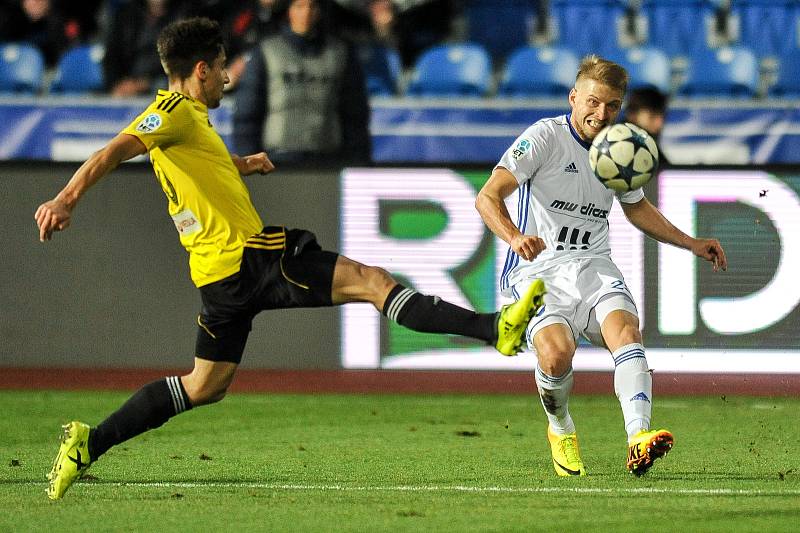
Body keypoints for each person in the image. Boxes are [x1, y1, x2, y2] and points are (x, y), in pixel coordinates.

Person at [36, 16, 544, 500]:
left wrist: (239, 165)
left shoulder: (186, 122)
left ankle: (89, 443)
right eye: (221, 67)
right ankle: (492, 328)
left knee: (203, 385)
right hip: (247, 257)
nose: (228, 78)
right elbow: (111, 153)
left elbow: (194, 168)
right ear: (200, 71)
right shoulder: (169, 112)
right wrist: (65, 199)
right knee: (372, 281)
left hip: (218, 279)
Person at [475, 55, 727, 477]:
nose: (601, 114)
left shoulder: (620, 147)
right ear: (574, 97)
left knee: (627, 333)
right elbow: (488, 196)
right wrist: (514, 236)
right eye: (593, 102)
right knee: (556, 356)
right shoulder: (544, 137)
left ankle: (637, 438)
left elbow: (637, 208)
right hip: (538, 269)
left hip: (593, 264)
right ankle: (560, 428)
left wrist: (691, 243)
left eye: (612, 105)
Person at [232, 0, 371, 165]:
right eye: (299, 6)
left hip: (328, 161)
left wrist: (358, 161)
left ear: (320, 11)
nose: (306, 13)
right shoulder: (266, 53)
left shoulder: (341, 55)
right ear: (289, 10)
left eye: (312, 6)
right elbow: (247, 115)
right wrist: (249, 161)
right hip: (278, 160)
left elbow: (355, 116)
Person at [622, 86, 671, 167]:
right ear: (632, 115)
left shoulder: (650, 147)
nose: (660, 124)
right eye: (652, 117)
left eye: (663, 116)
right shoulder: (615, 147)